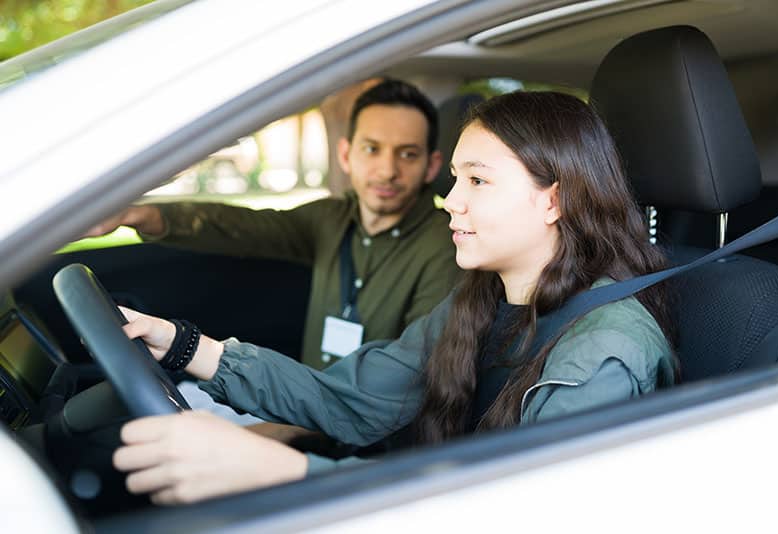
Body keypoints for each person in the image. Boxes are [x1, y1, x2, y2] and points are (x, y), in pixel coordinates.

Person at [112, 91, 678, 505]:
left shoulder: (603, 354)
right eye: (453, 180)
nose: (450, 203)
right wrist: (185, 345)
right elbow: (352, 399)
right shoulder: (480, 302)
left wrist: (283, 470)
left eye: (476, 182)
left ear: (553, 201)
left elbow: (508, 514)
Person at [87, 79, 460, 370]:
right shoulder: (333, 218)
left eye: (407, 154)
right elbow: (243, 226)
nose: (387, 170)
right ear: (346, 155)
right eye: (372, 149)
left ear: (431, 165)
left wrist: (288, 428)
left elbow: (408, 374)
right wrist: (138, 214)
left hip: (367, 448)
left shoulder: (444, 246)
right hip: (309, 410)